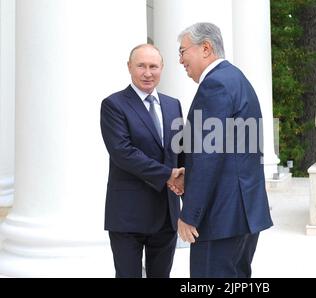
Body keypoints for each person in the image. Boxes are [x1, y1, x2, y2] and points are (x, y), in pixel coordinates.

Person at [176, 22, 273, 278]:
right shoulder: (236, 78)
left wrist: (190, 214)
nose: (180, 59)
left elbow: (208, 156)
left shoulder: (215, 84)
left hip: (221, 218)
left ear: (205, 48)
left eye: (183, 51)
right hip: (242, 213)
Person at [100, 44, 184, 278]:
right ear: (129, 67)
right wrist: (168, 174)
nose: (148, 72)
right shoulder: (114, 105)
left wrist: (190, 183)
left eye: (153, 66)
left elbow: (180, 151)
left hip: (166, 215)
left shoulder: (172, 104)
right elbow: (123, 152)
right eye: (141, 66)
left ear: (162, 68)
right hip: (128, 216)